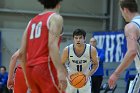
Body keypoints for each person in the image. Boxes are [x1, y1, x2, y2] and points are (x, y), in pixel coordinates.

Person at [18, 0, 67, 93]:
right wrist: (61, 70)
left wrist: (26, 77)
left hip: (30, 69)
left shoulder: (31, 22)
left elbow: (21, 53)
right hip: (45, 67)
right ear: (59, 4)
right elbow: (52, 45)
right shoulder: (55, 18)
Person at [108, 0, 140, 93]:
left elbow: (132, 52)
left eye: (121, 12)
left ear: (125, 10)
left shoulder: (131, 27)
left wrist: (116, 74)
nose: (122, 15)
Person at [61, 29, 99, 93]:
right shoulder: (67, 50)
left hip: (85, 78)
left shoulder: (91, 50)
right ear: (73, 39)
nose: (78, 40)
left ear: (84, 38)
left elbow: (96, 64)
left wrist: (88, 75)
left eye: (80, 38)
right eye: (76, 38)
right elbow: (62, 64)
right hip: (71, 77)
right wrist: (67, 75)